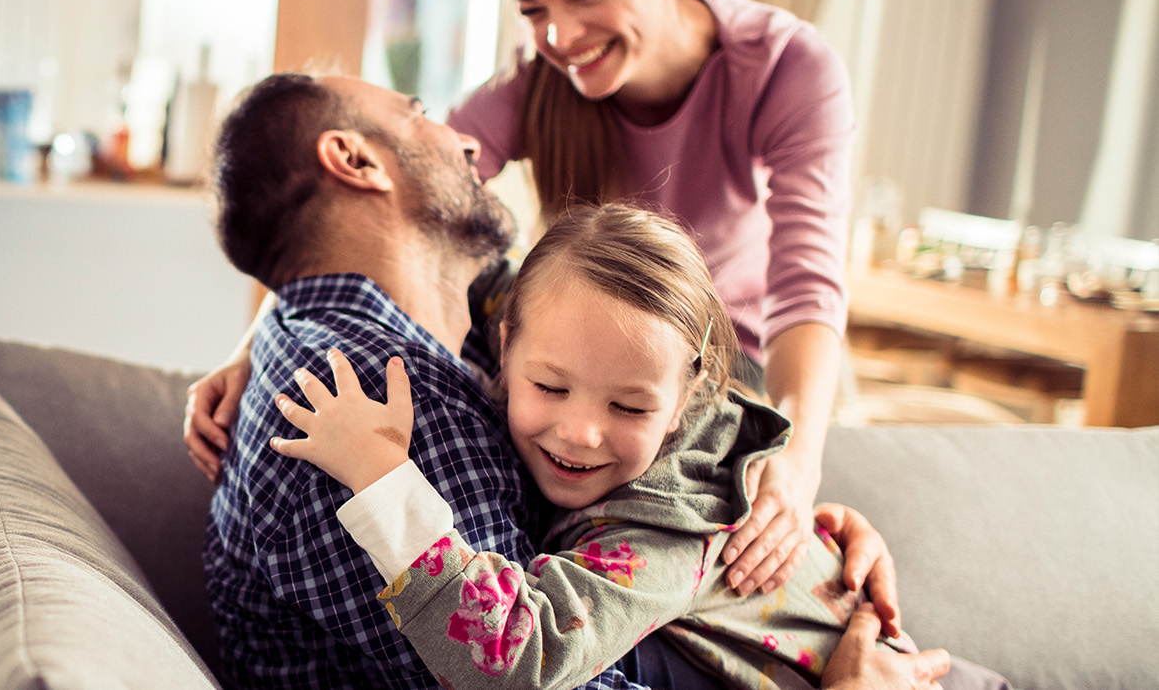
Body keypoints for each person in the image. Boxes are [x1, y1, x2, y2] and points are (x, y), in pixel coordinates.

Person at [200, 70, 944, 689]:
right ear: (355, 162)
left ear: (680, 401)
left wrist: (795, 508)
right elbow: (517, 661)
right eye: (420, 112)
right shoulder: (378, 397)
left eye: (630, 404)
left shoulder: (390, 339)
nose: (467, 140)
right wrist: (378, 474)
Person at [192, 0, 854, 605]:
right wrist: (273, 322)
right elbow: (386, 207)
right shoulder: (541, 79)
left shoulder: (783, 66)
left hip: (725, 365)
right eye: (533, 8)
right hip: (579, 344)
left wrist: (798, 463)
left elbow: (806, 286)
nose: (560, 34)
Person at [269, 204, 1010, 689]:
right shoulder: (548, 309)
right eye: (550, 387)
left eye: (630, 406)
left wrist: (381, 475)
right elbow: (431, 258)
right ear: (504, 343)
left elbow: (518, 660)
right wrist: (266, 327)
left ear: (685, 399)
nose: (581, 432)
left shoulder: (665, 529)